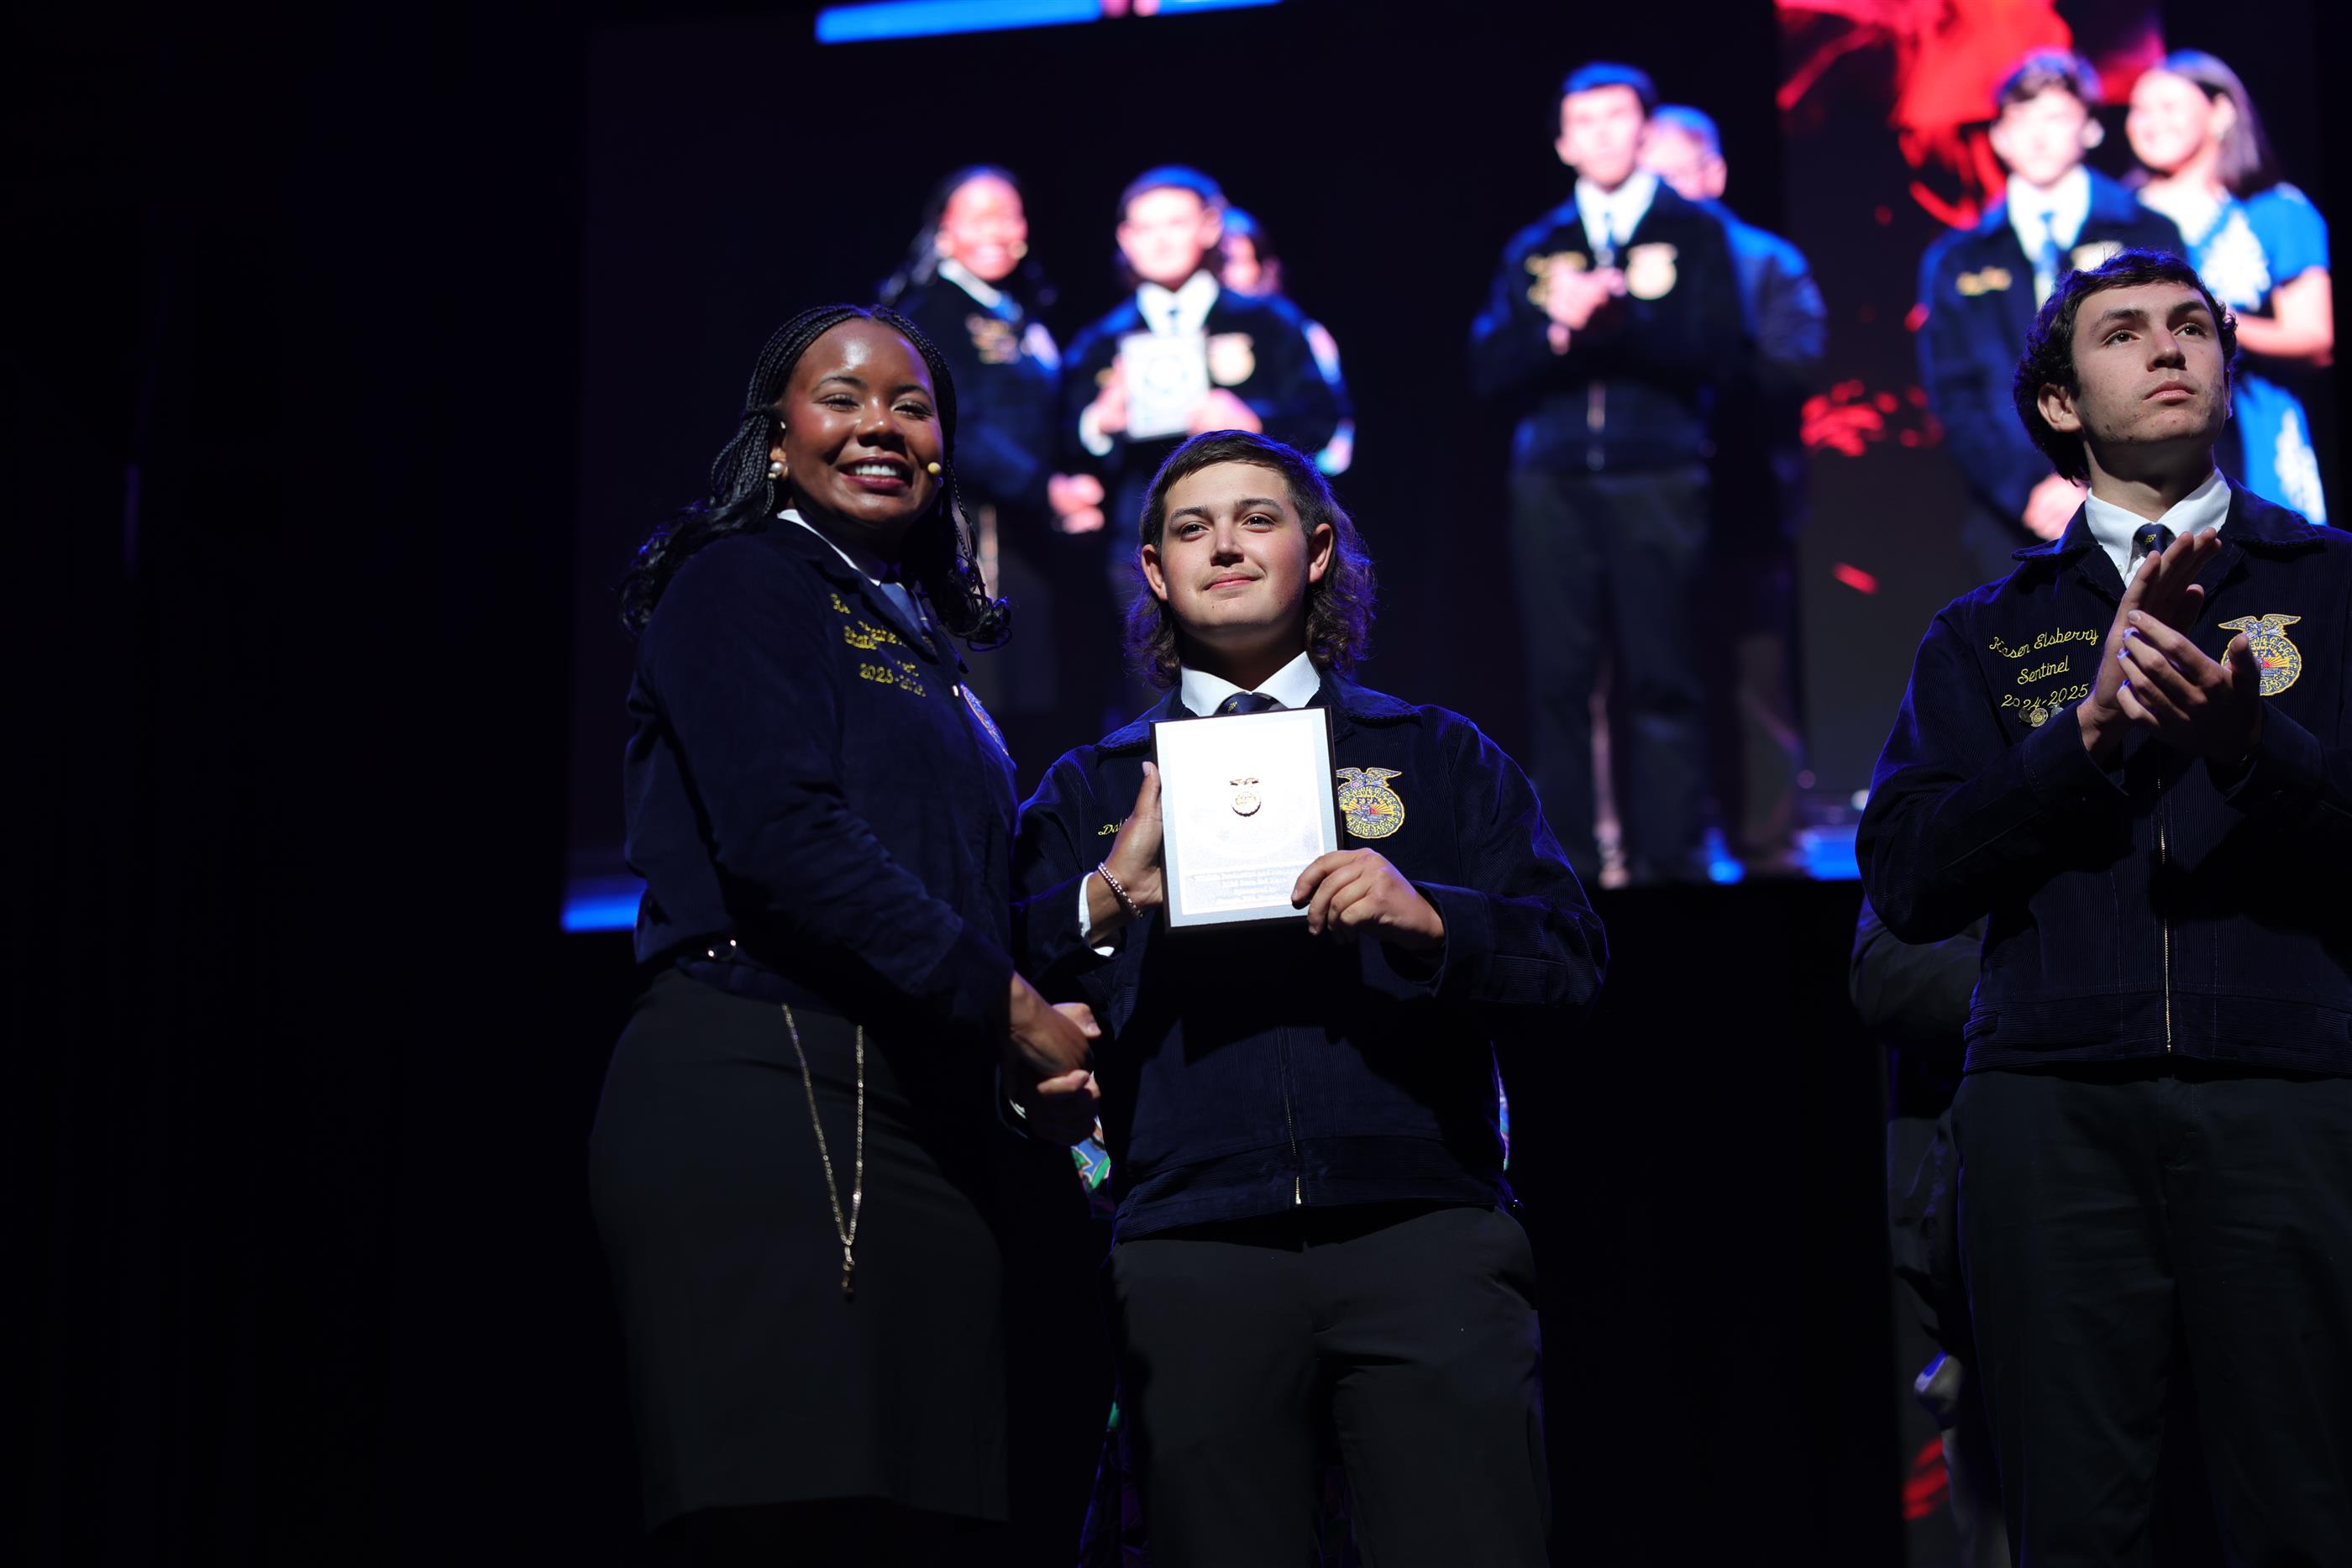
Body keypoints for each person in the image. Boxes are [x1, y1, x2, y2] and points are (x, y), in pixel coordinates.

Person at [1013, 430, 1605, 1566]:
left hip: (1422, 1231)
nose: (1226, 544)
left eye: (1258, 518)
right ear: (1153, 570)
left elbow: (1573, 960)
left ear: (1318, 551)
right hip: (1189, 1241)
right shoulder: (1090, 788)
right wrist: (1104, 895)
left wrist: (1433, 917)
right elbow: (998, 991)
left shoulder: (1435, 756)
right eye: (1192, 528)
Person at [590, 304, 1104, 1564]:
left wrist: (1106, 898)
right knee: (798, 1509)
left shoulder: (917, 634)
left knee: (922, 1516)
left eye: (911, 406)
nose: (880, 425)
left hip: (918, 1106)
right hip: (764, 1083)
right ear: (776, 438)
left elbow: (946, 896)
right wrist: (1016, 1013)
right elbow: (787, 845)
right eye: (842, 397)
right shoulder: (742, 580)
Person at [1859, 248, 2352, 1562]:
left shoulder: (2332, 585)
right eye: (2124, 332)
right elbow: (1907, 875)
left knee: (2306, 1508)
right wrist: (2080, 737)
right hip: (2052, 1107)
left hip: (2289, 1089)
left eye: (2193, 326)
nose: (2169, 346)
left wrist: (2258, 751)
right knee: (2075, 1524)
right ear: (2060, 403)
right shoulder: (1984, 629)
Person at [1469, 61, 1747, 885]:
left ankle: (1673, 862)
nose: (1600, 135)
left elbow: (1722, 351)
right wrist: (1556, 334)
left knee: (1663, 673)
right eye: (1582, 122)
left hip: (1656, 470)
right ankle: (1570, 868)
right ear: (1562, 143)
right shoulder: (1538, 243)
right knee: (1558, 679)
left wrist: (1624, 322)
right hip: (1551, 480)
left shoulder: (1693, 231)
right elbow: (1487, 365)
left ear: (1645, 131)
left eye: (1616, 117)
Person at [1058, 168, 1343, 730]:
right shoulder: (1100, 341)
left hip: (1259, 533)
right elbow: (1063, 452)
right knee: (1156, 691)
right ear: (1124, 239)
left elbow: (1324, 418)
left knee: (1277, 682)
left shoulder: (1267, 322)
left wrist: (1255, 421)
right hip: (1142, 543)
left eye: (1176, 222)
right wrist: (1099, 423)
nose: (1161, 239)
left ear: (1211, 226)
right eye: (1145, 227)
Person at [1641, 103, 1828, 873]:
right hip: (1645, 503)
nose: (1663, 195)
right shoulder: (1630, 266)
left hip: (1743, 497)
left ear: (1713, 174)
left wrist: (1707, 369)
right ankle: (1659, 845)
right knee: (1652, 674)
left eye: (1675, 176)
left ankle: (1769, 843)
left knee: (1755, 677)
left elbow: (1796, 363)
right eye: (1650, 179)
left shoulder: (1765, 261)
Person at [1916, 50, 2185, 584]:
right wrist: (2028, 489)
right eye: (2021, 120)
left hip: (2144, 502)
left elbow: (2173, 365)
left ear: (2089, 128)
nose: (2037, 137)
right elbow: (1954, 395)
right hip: (2012, 516)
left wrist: (2105, 486)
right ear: (1998, 137)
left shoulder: (2147, 233)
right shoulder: (1958, 258)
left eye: (2055, 117)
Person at [880, 165, 1078, 769]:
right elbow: (953, 423)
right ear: (943, 232)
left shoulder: (1014, 310)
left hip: (1023, 535)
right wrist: (1046, 487)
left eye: (1008, 215)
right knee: (981, 700)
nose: (997, 229)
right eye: (978, 216)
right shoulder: (931, 312)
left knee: (1028, 702)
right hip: (967, 535)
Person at [2127, 50, 2332, 523]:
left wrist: (2207, 317)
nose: (2151, 123)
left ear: (2220, 112)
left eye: (2168, 107)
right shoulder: (2119, 217)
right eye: (2139, 110)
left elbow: (2316, 338)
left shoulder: (2273, 211)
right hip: (2149, 441)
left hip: (2257, 429)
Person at [1219, 205, 1356, 476]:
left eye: (1233, 261)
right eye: (1214, 263)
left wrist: (1255, 426)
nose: (1223, 274)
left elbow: (1334, 442)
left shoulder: (1294, 330)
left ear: (1263, 267)